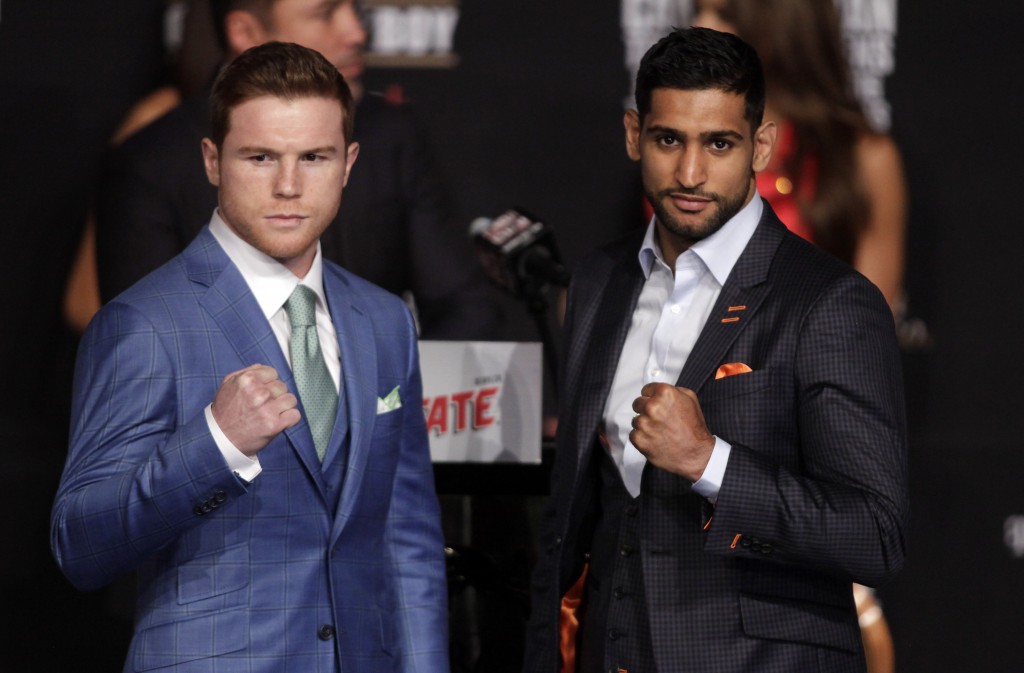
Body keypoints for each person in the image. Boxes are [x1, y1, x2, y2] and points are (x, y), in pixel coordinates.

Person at [51, 41, 449, 673]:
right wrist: (216, 442)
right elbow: (80, 545)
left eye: (313, 157)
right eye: (260, 157)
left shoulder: (384, 320)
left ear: (347, 163)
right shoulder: (143, 323)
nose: (288, 186)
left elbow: (407, 540)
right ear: (213, 160)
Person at [523, 27, 908, 673]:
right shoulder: (598, 281)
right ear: (632, 134)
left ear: (760, 145)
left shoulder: (828, 301)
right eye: (668, 139)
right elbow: (575, 518)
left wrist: (708, 459)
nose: (690, 173)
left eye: (719, 143)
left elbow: (874, 534)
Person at [94, 0, 501, 339]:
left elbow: (464, 304)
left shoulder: (392, 134)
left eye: (316, 157)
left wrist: (388, 403)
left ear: (349, 160)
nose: (356, 32)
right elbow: (147, 335)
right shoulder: (150, 162)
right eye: (324, 13)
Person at [692, 0, 907, 312]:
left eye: (725, 14)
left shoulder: (864, 158)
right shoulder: (680, 145)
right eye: (697, 11)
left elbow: (867, 329)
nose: (700, 27)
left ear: (782, 24)